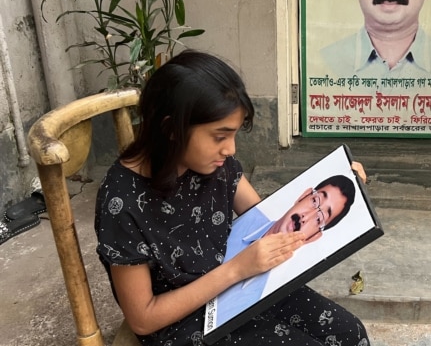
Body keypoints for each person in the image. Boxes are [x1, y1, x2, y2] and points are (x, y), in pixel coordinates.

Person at [94, 49, 370, 346]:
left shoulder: (214, 165)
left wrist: (337, 178)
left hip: (238, 284)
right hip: (181, 322)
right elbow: (143, 318)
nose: (231, 149)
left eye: (234, 134)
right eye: (220, 136)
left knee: (350, 334)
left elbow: (265, 219)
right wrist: (238, 269)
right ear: (171, 128)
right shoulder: (121, 203)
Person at [214, 175, 357, 326]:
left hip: (266, 294)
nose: (305, 217)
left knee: (352, 330)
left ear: (314, 237)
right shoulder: (241, 228)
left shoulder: (270, 284)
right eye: (315, 201)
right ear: (303, 196)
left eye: (318, 219)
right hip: (205, 307)